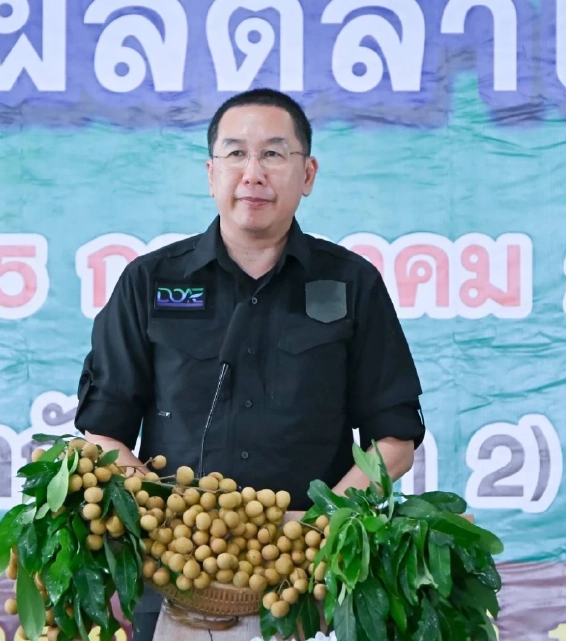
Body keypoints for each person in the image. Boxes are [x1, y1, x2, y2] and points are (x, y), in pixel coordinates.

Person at [74, 87, 426, 640]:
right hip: (175, 577)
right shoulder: (151, 282)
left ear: (307, 174)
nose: (253, 173)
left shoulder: (352, 283)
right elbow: (103, 434)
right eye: (236, 153)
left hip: (309, 584)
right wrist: (169, 527)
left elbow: (394, 442)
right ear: (211, 172)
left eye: (274, 154)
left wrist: (315, 529)